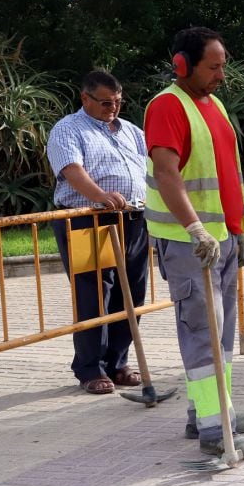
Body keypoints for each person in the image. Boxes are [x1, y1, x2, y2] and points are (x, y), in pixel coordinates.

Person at [144, 26, 244, 458]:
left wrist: (240, 225)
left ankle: (213, 413)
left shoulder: (214, 105)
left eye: (223, 66)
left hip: (223, 240)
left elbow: (229, 170)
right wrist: (196, 228)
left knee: (221, 332)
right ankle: (215, 431)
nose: (221, 75)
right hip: (189, 244)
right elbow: (166, 173)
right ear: (182, 65)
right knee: (202, 334)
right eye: (213, 67)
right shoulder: (167, 107)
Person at [46, 69, 149, 395]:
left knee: (130, 294)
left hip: (132, 220)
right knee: (93, 295)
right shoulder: (68, 129)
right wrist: (99, 196)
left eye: (117, 102)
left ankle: (117, 362)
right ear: (85, 98)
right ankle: (90, 368)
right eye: (105, 103)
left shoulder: (130, 130)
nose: (112, 109)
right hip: (88, 220)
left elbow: (148, 166)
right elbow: (71, 169)